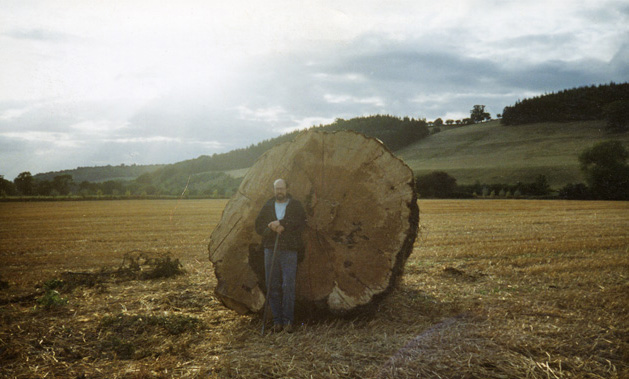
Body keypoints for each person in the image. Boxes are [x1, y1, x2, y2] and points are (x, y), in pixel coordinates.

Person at [255, 178, 306, 333]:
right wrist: (271, 228)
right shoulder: (268, 205)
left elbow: (300, 222)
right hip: (270, 249)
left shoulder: (295, 205)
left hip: (289, 250)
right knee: (273, 284)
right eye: (277, 189)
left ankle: (288, 321)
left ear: (287, 188)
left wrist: (282, 224)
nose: (279, 192)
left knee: (288, 285)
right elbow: (258, 226)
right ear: (274, 190)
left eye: (282, 188)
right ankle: (277, 321)